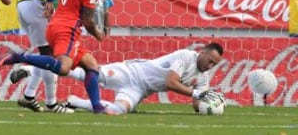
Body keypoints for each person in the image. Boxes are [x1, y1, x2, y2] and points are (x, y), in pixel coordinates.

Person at [0, 0, 115, 115]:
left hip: (56, 24)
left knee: (91, 65)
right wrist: (97, 33)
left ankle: (97, 106)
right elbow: (88, 21)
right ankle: (18, 57)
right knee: (63, 68)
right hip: (68, 29)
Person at [62, 42, 224, 115]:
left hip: (140, 90)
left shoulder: (204, 76)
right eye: (210, 61)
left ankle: (75, 101)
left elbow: (197, 105)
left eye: (214, 64)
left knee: (117, 111)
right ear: (202, 52)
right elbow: (171, 82)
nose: (210, 66)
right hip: (132, 72)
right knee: (90, 74)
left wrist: (211, 103)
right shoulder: (186, 56)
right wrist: (196, 93)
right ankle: (43, 67)